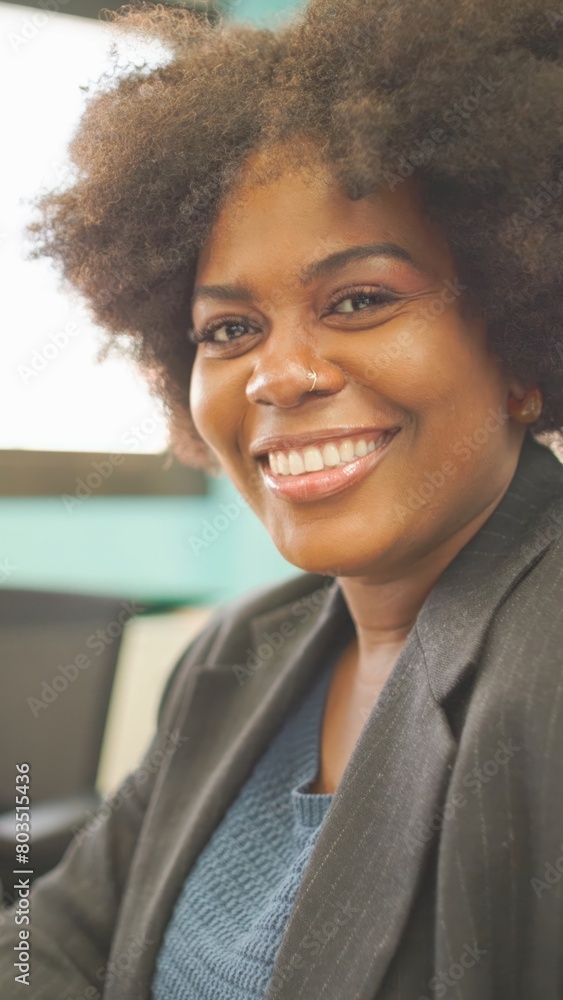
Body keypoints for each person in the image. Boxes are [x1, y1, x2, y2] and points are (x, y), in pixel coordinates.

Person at [1, 0, 562, 996]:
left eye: (357, 301)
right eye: (227, 330)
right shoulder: (238, 651)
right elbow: (58, 938)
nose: (277, 375)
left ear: (520, 344)